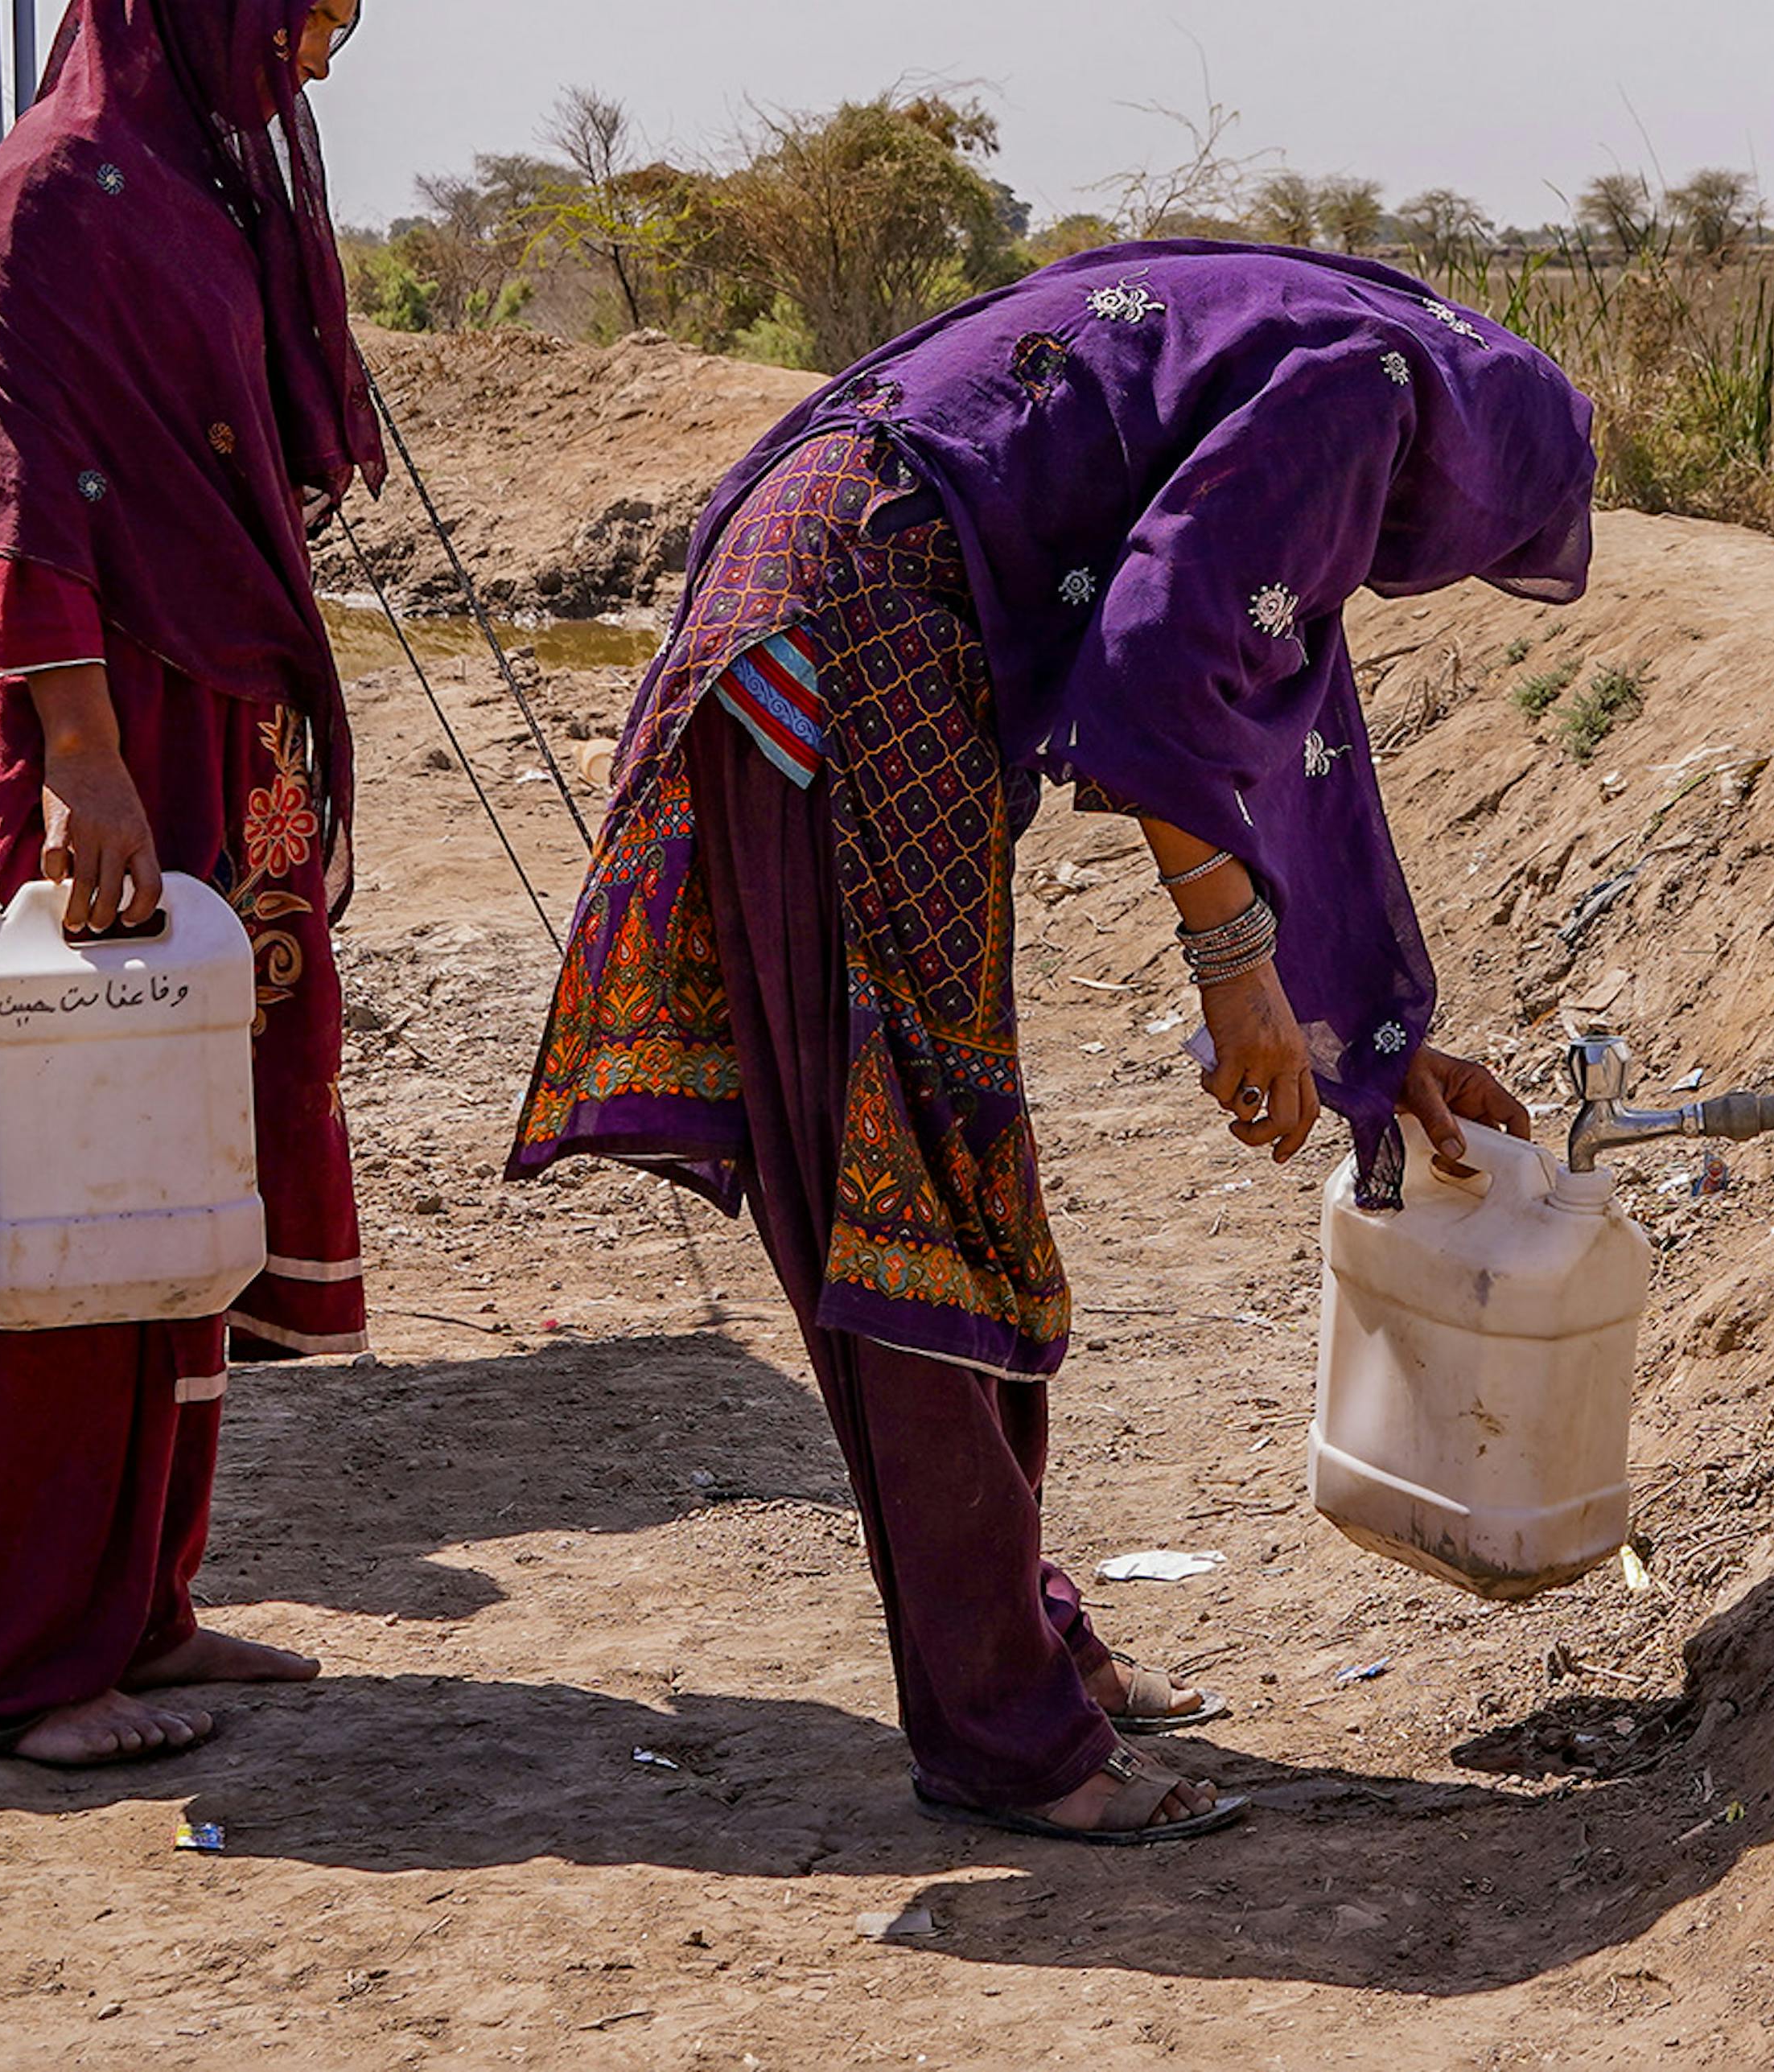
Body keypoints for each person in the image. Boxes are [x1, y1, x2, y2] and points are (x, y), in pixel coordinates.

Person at [513, 239, 1596, 1846]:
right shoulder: (1364, 398)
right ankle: (1004, 1731)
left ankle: (1027, 1648)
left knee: (943, 1172)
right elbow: (1161, 664)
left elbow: (1279, 699)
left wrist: (1379, 1046)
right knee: (917, 1191)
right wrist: (1234, 966)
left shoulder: (1335, 357)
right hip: (858, 640)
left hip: (840, 603)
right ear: (1486, 467)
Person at [0, 0, 382, 1769]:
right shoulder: (58, 188)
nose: (314, 58)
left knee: (162, 1165)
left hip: (189, 731)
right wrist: (80, 762)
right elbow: (20, 485)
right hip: (81, 737)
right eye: (303, 16)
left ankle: (143, 1602)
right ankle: (10, 1658)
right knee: (53, 1166)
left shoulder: (204, 190)